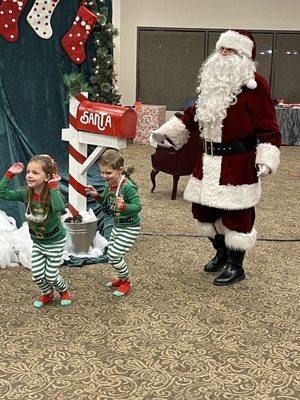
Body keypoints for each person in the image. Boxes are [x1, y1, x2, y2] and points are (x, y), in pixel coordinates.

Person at [150, 30, 281, 286]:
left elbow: (269, 126)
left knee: (237, 216)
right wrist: (168, 131)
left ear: (242, 55)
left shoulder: (255, 85)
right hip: (208, 161)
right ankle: (221, 253)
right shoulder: (213, 83)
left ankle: (236, 264)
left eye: (229, 50)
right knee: (203, 213)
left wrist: (267, 155)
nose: (222, 54)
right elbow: (193, 114)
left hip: (237, 161)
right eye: (221, 49)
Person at [0, 154, 72, 307]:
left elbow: (59, 209)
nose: (29, 175)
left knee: (51, 275)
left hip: (55, 241)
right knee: (37, 275)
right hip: (38, 241)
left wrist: (54, 186)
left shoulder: (52, 193)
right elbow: (2, 193)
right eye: (28, 172)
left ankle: (64, 291)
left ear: (47, 177)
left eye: (35, 172)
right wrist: (9, 174)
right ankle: (48, 294)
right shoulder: (26, 193)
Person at [85, 148, 142, 297]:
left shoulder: (128, 187)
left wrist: (124, 207)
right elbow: (106, 202)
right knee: (111, 254)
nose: (104, 176)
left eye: (108, 173)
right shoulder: (108, 185)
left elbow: (138, 207)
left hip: (130, 226)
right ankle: (121, 278)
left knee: (115, 255)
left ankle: (126, 282)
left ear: (120, 170)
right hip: (118, 224)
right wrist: (96, 195)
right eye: (102, 172)